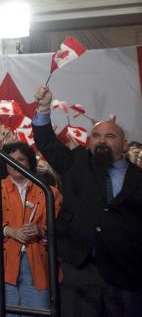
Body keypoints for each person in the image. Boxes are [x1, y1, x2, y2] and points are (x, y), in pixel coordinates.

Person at [33, 84, 142, 316]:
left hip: (127, 274)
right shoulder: (76, 161)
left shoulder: (138, 178)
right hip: (80, 270)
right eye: (96, 135)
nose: (101, 140)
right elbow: (47, 143)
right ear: (88, 142)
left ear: (124, 145)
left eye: (110, 136)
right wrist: (43, 108)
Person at [0, 142, 61, 316]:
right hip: (4, 264)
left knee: (37, 312)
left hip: (38, 264)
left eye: (21, 159)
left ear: (30, 163)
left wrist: (41, 231)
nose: (16, 164)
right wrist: (8, 230)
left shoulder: (50, 192)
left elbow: (59, 229)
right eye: (10, 160)